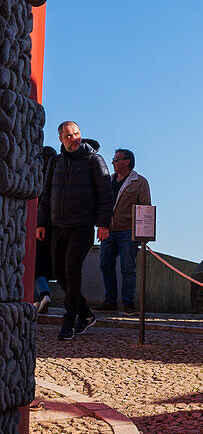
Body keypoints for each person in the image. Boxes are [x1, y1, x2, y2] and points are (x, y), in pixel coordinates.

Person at [37, 121, 113, 340]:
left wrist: (104, 223)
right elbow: (46, 195)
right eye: (69, 136)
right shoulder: (55, 162)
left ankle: (68, 322)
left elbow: (105, 194)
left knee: (72, 271)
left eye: (77, 134)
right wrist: (41, 223)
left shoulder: (94, 160)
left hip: (82, 226)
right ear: (61, 139)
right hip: (58, 226)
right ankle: (86, 314)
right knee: (58, 273)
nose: (74, 139)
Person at [99, 148, 151, 314]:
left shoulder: (140, 182)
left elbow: (145, 208)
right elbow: (101, 203)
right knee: (105, 265)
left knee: (128, 268)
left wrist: (144, 234)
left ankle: (128, 304)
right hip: (108, 230)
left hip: (128, 231)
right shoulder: (108, 181)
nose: (113, 162)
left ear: (127, 161)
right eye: (113, 159)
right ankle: (110, 301)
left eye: (116, 159)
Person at [33, 146, 57, 314]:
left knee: (35, 263)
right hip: (55, 226)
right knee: (45, 263)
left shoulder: (38, 179)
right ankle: (37, 300)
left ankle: (42, 295)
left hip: (38, 225)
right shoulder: (59, 177)